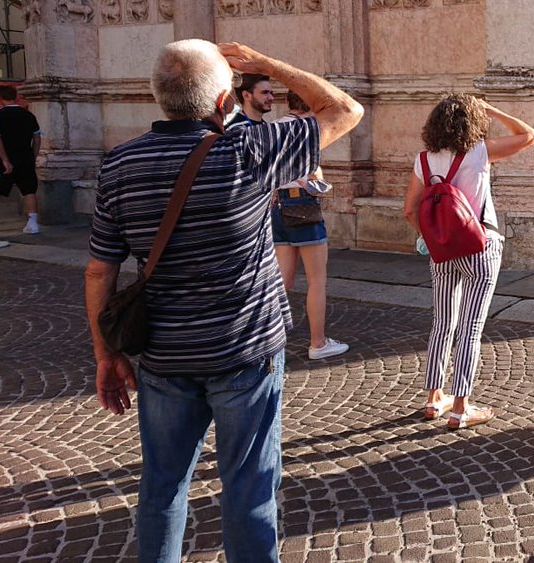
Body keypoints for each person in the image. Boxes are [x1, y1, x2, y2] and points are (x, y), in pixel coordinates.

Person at [84, 40, 363, 562]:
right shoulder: (249, 149)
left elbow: (101, 269)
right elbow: (345, 110)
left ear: (160, 99)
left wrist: (105, 354)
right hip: (244, 352)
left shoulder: (118, 164)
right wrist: (268, 63)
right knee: (249, 490)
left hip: (165, 357)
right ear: (221, 101)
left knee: (162, 486)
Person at [403, 94, 534, 430]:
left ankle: (434, 397)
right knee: (470, 329)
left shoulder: (423, 159)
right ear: (472, 122)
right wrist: (490, 108)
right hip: (480, 247)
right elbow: (529, 135)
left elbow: (409, 209)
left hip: (442, 252)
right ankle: (461, 407)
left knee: (442, 323)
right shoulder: (479, 151)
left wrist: (429, 237)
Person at [272, 91, 347, 359]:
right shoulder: (310, 129)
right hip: (302, 205)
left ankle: (268, 340)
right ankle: (318, 343)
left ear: (288, 102)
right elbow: (315, 177)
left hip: (276, 205)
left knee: (283, 280)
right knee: (317, 281)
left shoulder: (273, 128)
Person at [0, 85, 44, 234]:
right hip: (25, 158)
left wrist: (4, 159)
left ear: (0, 98)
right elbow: (37, 139)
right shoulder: (29, 115)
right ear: (16, 96)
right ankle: (32, 223)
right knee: (29, 190)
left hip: (4, 161)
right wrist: (33, 156)